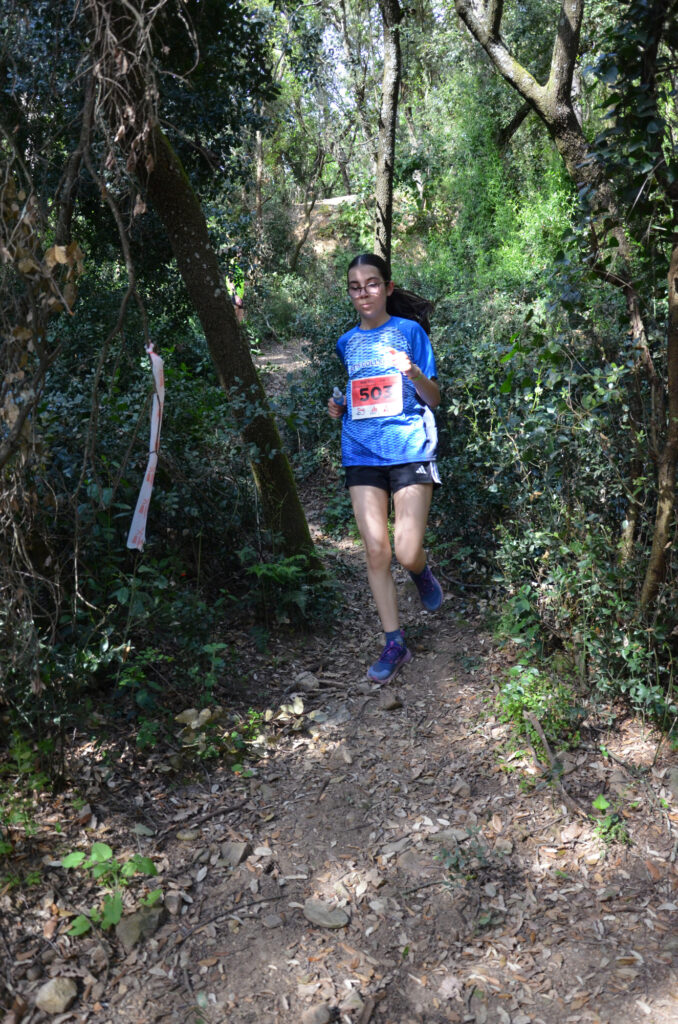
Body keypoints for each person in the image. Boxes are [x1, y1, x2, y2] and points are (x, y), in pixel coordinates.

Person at [328, 253, 443, 683]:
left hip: (409, 449)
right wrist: (340, 406)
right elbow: (361, 394)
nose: (364, 293)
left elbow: (434, 397)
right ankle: (395, 642)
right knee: (376, 550)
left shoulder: (410, 332)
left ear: (388, 288)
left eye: (372, 284)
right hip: (360, 452)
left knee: (406, 550)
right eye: (355, 287)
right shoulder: (345, 342)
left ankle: (420, 570)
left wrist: (412, 371)